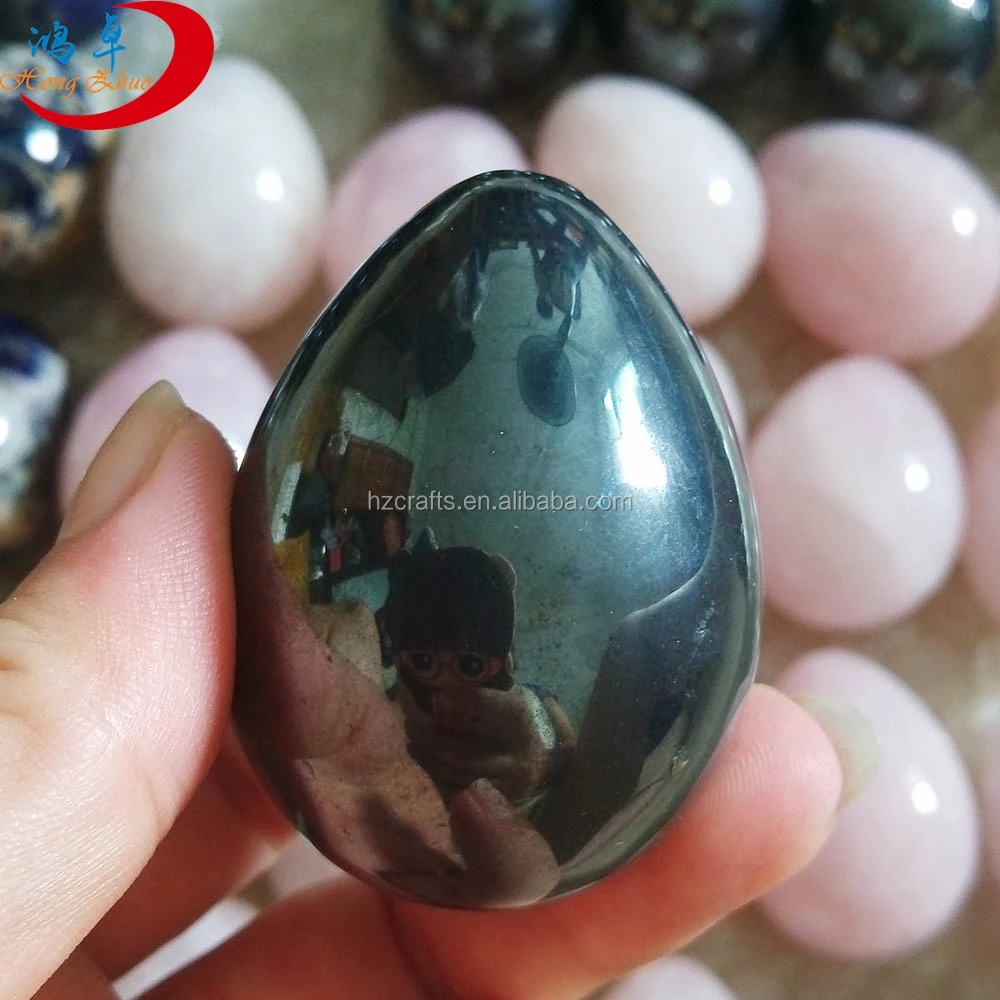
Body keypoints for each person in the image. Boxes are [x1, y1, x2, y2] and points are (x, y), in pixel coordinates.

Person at [1, 383, 849, 1000]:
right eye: (422, 663)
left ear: (504, 666)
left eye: (472, 669)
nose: (444, 687)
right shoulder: (353, 704)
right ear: (393, 653)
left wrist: (542, 769)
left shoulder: (531, 724)